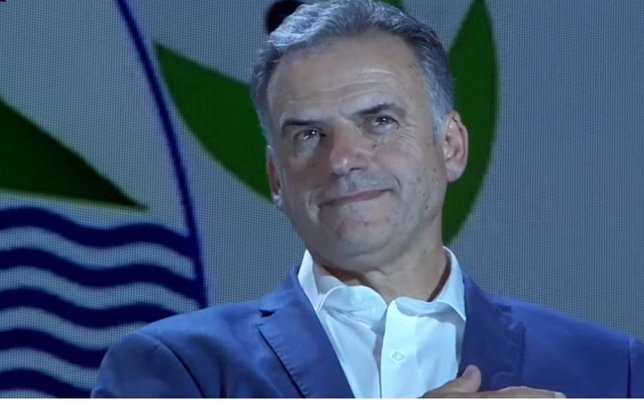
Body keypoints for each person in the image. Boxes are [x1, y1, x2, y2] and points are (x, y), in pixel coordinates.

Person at [92, 0, 643, 398]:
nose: (342, 159)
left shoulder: (612, 370)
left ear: (450, 146)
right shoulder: (177, 371)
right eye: (309, 135)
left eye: (379, 121)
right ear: (277, 178)